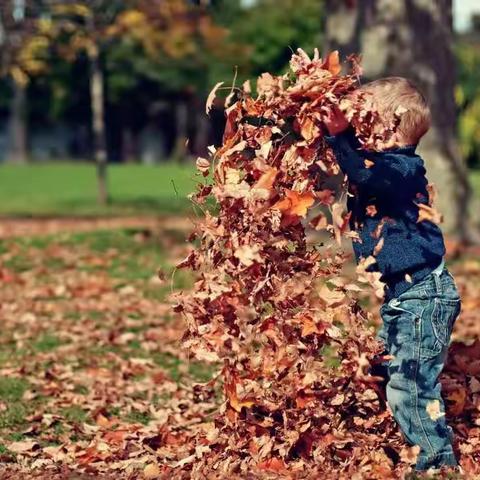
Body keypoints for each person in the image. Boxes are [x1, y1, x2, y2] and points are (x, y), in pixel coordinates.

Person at [322, 77, 462, 473]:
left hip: (423, 298)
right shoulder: (383, 166)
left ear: (386, 128)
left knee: (412, 387)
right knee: (384, 365)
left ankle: (436, 461)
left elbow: (366, 175)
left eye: (362, 123)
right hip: (405, 298)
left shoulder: (401, 169)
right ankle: (391, 432)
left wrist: (340, 138)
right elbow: (357, 167)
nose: (354, 131)